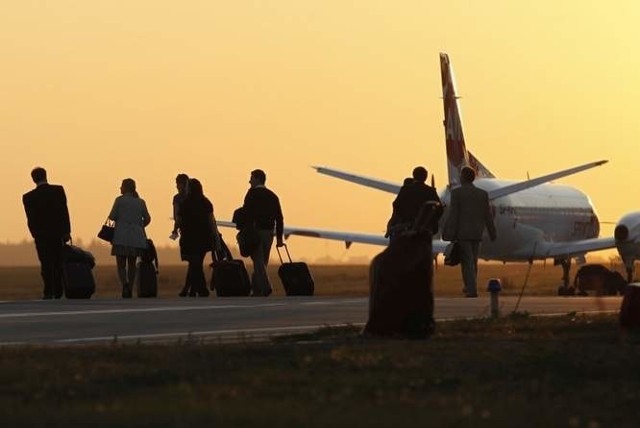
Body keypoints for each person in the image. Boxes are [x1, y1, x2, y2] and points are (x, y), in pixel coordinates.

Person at [443, 166, 497, 297]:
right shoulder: (482, 194)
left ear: (463, 177)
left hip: (463, 234)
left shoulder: (457, 194)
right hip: (477, 233)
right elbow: (487, 216)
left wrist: (448, 232)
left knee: (467, 262)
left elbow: (453, 215)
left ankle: (471, 289)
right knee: (472, 261)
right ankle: (469, 286)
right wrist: (492, 232)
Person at [22, 167, 72, 299]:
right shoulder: (58, 191)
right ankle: (58, 290)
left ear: (33, 179)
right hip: (57, 234)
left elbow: (30, 219)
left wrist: (35, 234)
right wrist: (66, 231)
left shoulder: (28, 197)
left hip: (41, 235)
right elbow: (64, 212)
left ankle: (48, 290)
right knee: (58, 262)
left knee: (45, 263)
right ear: (46, 176)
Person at [241, 169, 284, 296]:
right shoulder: (273, 196)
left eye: (252, 178)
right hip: (269, 233)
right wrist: (279, 238)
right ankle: (256, 290)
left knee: (258, 261)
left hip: (255, 232)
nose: (249, 181)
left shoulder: (251, 195)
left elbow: (246, 212)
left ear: (258, 179)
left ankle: (266, 287)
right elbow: (279, 218)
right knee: (261, 261)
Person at [177, 178, 221, 297]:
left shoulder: (185, 203)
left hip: (189, 237)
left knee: (195, 264)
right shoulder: (206, 202)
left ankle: (201, 289)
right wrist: (215, 235)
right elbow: (211, 221)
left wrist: (176, 230)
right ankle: (191, 289)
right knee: (196, 263)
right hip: (204, 237)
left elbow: (179, 220)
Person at [108, 178, 151, 298]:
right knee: (132, 265)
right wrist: (140, 226)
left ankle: (125, 285)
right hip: (136, 238)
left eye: (121, 186)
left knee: (121, 265)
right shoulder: (140, 202)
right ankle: (131, 288)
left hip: (120, 237)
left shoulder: (119, 201)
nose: (120, 188)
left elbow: (112, 216)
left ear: (126, 187)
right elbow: (147, 218)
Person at [386, 166, 441, 242]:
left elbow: (396, 205)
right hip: (424, 231)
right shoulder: (430, 191)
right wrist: (430, 223)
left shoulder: (406, 189)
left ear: (414, 176)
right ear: (425, 177)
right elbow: (439, 210)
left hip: (406, 228)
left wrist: (402, 219)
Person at [171, 173, 189, 241]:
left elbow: (177, 216)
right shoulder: (196, 197)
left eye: (178, 184)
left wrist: (175, 230)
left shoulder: (177, 198)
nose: (177, 186)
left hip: (185, 231)